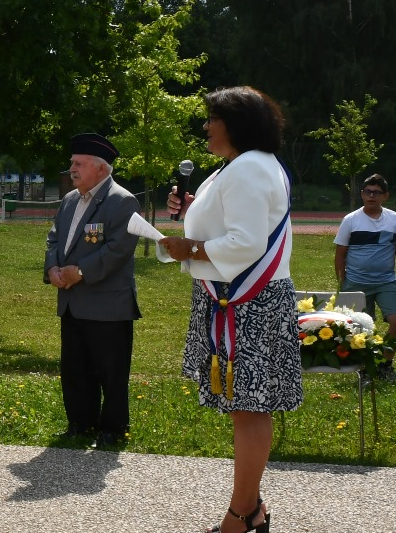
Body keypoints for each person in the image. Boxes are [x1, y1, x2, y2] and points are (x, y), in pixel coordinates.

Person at [160, 86, 301, 533]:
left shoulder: (248, 169)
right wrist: (189, 214)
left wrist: (190, 244)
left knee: (250, 408)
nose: (205, 126)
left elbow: (246, 243)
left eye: (212, 118)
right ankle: (252, 506)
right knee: (244, 405)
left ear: (236, 122)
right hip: (233, 298)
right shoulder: (235, 168)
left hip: (248, 301)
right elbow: (229, 227)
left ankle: (240, 517)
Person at [43, 133, 141, 449]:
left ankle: (112, 429)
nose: (71, 169)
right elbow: (54, 239)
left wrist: (81, 272)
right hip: (72, 303)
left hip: (108, 306)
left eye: (78, 163)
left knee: (110, 372)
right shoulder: (69, 200)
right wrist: (52, 269)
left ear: (100, 168)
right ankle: (79, 424)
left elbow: (119, 250)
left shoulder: (123, 201)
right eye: (72, 163)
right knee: (75, 369)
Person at [333, 174, 396, 382]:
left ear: (385, 196)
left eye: (376, 193)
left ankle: (385, 363)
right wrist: (343, 283)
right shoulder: (351, 220)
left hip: (387, 281)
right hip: (356, 283)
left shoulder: (395, 220)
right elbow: (340, 253)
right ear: (361, 195)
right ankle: (366, 367)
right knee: (363, 327)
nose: (371, 196)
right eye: (367, 192)